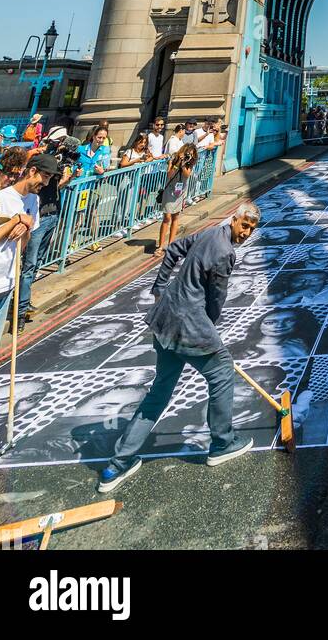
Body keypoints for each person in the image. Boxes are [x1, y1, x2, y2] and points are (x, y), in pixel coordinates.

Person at [97, 201, 261, 491]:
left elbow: (172, 249)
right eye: (244, 225)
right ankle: (223, 442)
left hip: (166, 320)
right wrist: (208, 329)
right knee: (222, 372)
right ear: (234, 219)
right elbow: (216, 298)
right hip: (189, 326)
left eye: (252, 228)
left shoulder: (210, 233)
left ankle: (118, 464)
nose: (247, 232)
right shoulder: (225, 252)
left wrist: (160, 287)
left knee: (160, 389)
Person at [0, 163, 44, 366]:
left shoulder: (33, 200)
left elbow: (21, 247)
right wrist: (14, 221)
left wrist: (25, 227)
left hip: (5, 286)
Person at [16, 153, 68, 331]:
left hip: (50, 217)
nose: (47, 182)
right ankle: (20, 312)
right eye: (46, 176)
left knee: (36, 263)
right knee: (29, 266)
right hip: (40, 220)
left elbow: (55, 188)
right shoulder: (28, 192)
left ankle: (24, 301)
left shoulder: (40, 190)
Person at [156, 143, 198, 254]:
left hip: (180, 192)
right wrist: (178, 162)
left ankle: (170, 245)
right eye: (188, 154)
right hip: (170, 190)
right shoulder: (174, 159)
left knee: (175, 217)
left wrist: (184, 164)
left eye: (192, 155)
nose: (190, 156)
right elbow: (169, 174)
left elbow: (187, 175)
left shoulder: (190, 164)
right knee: (167, 217)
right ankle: (160, 246)